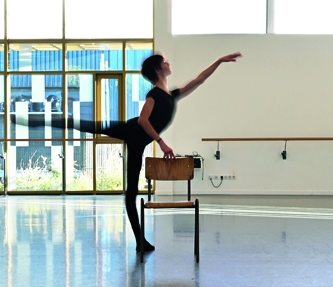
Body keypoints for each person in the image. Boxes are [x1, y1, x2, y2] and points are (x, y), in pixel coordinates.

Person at [95, 52, 242, 253]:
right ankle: (140, 241)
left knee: (131, 192)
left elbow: (199, 79)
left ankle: (140, 242)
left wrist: (218, 61)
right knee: (89, 126)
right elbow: (142, 120)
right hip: (132, 131)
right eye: (165, 62)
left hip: (138, 141)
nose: (168, 63)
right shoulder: (154, 95)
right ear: (158, 70)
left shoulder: (171, 95)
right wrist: (161, 143)